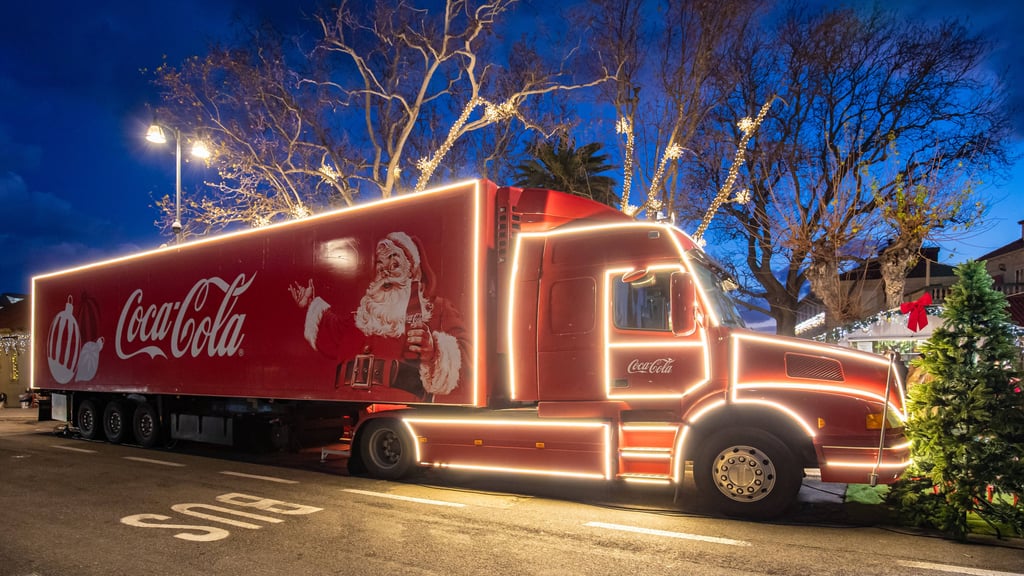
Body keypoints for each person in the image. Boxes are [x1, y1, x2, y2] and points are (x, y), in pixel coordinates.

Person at [290, 232, 469, 401]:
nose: (385, 272)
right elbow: (331, 332)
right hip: (352, 402)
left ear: (412, 271)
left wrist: (434, 350)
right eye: (380, 266)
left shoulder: (437, 309)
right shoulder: (364, 316)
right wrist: (310, 304)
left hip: (402, 405)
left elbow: (468, 357)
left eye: (394, 265)